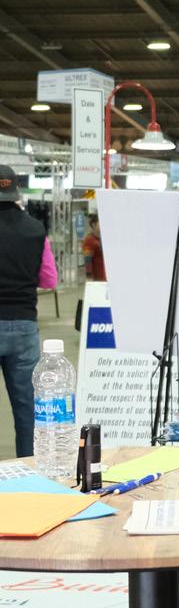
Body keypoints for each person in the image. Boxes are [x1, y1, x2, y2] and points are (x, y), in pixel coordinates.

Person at [0, 164, 58, 457]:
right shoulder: (35, 230)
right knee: (28, 412)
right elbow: (49, 280)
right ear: (16, 191)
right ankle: (29, 472)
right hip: (23, 327)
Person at [81, 213, 106, 281]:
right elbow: (87, 261)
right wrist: (89, 278)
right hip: (98, 280)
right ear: (93, 225)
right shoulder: (89, 240)